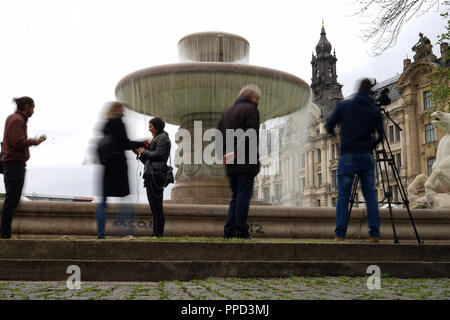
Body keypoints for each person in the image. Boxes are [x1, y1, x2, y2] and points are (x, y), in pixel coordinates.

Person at [326, 78, 384, 243]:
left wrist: (338, 139)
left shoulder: (345, 105)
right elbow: (381, 135)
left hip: (347, 155)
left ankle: (340, 235)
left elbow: (329, 125)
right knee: (370, 196)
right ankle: (374, 234)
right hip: (366, 156)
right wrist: (370, 146)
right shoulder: (374, 110)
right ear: (371, 92)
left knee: (343, 196)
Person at [216, 84, 261, 239]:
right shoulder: (251, 110)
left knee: (236, 196)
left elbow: (218, 133)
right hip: (245, 160)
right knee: (243, 196)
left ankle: (229, 230)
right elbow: (251, 134)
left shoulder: (227, 112)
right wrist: (237, 152)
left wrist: (223, 153)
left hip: (230, 161)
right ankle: (241, 230)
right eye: (257, 98)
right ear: (252, 97)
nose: (258, 101)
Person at [96, 101, 145, 239]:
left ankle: (101, 233)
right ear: (118, 110)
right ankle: (126, 231)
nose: (124, 112)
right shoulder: (119, 122)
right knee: (125, 199)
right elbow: (125, 143)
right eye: (122, 109)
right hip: (118, 165)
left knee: (103, 202)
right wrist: (143, 142)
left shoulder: (105, 124)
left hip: (106, 166)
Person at [1, 97, 45, 239]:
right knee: (12, 200)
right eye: (32, 107)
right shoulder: (16, 120)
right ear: (26, 106)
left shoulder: (16, 119)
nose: (33, 110)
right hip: (14, 165)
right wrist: (34, 141)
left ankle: (5, 232)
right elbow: (18, 142)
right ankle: (5, 233)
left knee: (12, 199)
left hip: (14, 164)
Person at [134, 117, 171, 238]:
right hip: (152, 174)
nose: (149, 129)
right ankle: (155, 233)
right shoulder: (158, 138)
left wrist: (143, 152)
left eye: (150, 126)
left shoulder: (163, 138)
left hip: (157, 175)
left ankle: (158, 234)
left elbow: (159, 155)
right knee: (154, 207)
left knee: (157, 206)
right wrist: (140, 153)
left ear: (156, 127)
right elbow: (149, 160)